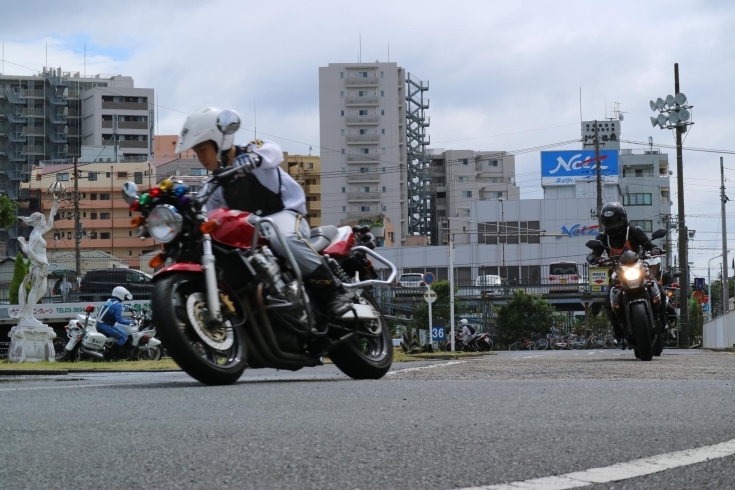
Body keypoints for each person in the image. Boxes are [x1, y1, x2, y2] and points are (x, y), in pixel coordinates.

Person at [176, 107, 353, 319]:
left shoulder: (253, 151)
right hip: (253, 234)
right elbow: (205, 212)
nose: (200, 158)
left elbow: (273, 151)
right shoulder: (213, 185)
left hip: (284, 215)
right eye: (197, 153)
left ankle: (335, 291)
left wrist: (253, 160)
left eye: (203, 150)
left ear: (218, 142)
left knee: (281, 236)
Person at [586, 202, 663, 341]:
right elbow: (595, 252)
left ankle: (662, 319)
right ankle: (618, 332)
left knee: (659, 288)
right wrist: (593, 258)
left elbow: (648, 245)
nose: (613, 225)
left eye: (615, 221)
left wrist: (654, 249)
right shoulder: (604, 238)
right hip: (618, 272)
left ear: (623, 219)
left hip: (639, 267)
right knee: (609, 302)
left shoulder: (633, 231)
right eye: (609, 222)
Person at [12, 197, 59, 325]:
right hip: (39, 265)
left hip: (43, 265)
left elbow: (50, 224)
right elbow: (28, 250)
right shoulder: (35, 235)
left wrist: (54, 206)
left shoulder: (39, 231)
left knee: (42, 290)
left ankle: (27, 312)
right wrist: (40, 261)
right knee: (35, 289)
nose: (45, 221)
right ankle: (30, 316)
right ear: (38, 222)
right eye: (43, 219)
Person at [96, 287, 135, 358]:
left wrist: (128, 308)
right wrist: (131, 322)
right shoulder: (118, 305)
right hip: (106, 326)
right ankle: (111, 354)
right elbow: (119, 320)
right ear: (121, 295)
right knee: (124, 337)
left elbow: (115, 308)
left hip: (99, 324)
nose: (124, 298)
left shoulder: (110, 301)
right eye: (124, 296)